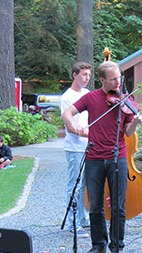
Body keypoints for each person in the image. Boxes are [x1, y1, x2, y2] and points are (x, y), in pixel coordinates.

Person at [62, 61, 142, 253]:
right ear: (102, 80)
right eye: (113, 79)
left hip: (118, 157)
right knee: (96, 204)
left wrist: (134, 122)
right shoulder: (91, 98)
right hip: (94, 158)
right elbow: (67, 113)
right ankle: (98, 245)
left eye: (119, 78)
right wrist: (73, 126)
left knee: (118, 205)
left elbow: (127, 132)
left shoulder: (125, 101)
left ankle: (117, 247)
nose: (118, 82)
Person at [60, 61, 92, 238]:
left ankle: (84, 218)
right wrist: (93, 134)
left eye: (88, 75)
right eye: (84, 75)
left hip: (89, 146)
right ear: (75, 75)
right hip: (75, 147)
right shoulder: (67, 97)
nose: (87, 78)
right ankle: (73, 223)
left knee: (87, 185)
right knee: (75, 185)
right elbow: (71, 127)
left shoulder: (88, 94)